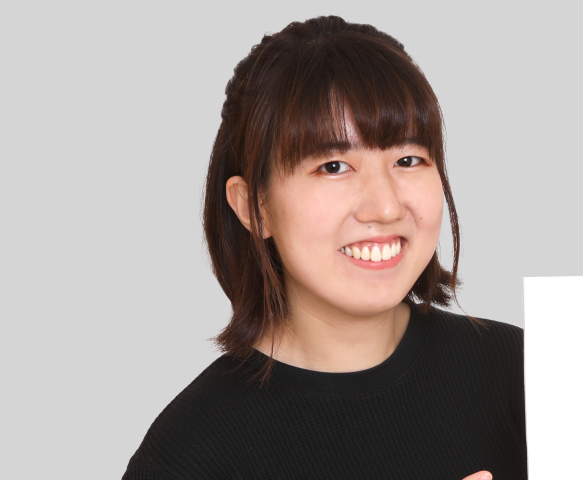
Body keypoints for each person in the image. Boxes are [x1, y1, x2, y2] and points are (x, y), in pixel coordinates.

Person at [122, 15, 526, 480]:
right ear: (254, 207)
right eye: (333, 166)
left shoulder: (521, 371)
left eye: (408, 159)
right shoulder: (189, 454)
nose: (386, 207)